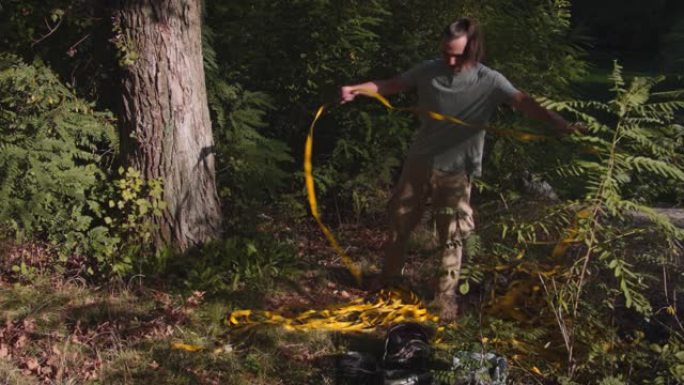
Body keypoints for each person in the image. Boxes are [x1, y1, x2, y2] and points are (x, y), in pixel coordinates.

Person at [340, 17, 579, 321]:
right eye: (445, 53)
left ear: (474, 49)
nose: (450, 60)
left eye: (458, 54)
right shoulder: (429, 70)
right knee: (399, 221)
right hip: (419, 161)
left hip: (457, 170)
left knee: (451, 235)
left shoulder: (490, 80)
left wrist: (557, 121)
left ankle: (444, 299)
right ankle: (389, 281)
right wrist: (357, 89)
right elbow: (394, 84)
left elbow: (522, 101)